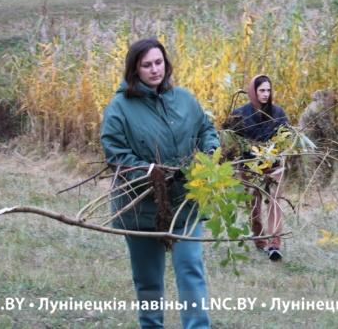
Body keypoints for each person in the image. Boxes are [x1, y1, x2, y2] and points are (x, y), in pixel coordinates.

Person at [101, 38, 219, 329]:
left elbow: (206, 128)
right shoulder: (119, 109)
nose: (155, 70)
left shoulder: (184, 99)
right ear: (134, 69)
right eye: (146, 65)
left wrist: (209, 151)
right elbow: (117, 157)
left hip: (184, 205)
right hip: (141, 210)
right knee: (148, 281)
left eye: (159, 62)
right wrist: (154, 173)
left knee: (191, 269)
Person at [231, 74, 288, 261]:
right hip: (249, 167)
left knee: (275, 203)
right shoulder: (240, 114)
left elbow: (285, 139)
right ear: (253, 91)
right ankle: (260, 242)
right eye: (261, 90)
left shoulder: (278, 113)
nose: (265, 94)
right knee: (254, 206)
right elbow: (233, 141)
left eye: (268, 90)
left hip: (273, 166)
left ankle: (274, 245)